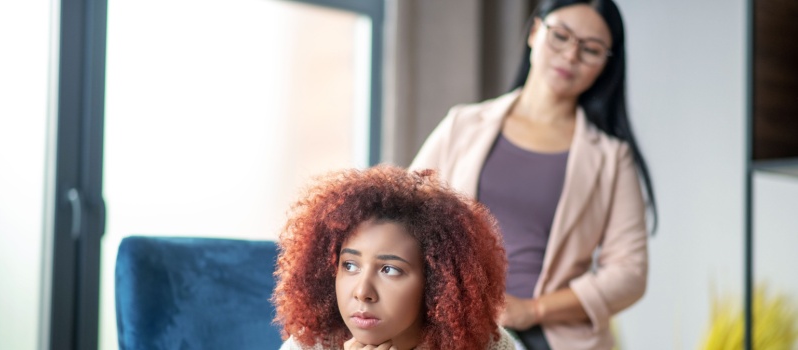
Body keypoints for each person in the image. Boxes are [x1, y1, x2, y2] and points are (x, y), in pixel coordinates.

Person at [410, 0, 656, 349]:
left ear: (606, 64)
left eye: (591, 50)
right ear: (535, 31)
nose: (571, 56)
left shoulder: (612, 158)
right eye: (561, 36)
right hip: (453, 326)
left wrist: (533, 310)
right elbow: (403, 214)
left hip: (552, 338)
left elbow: (630, 273)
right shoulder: (463, 124)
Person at [272, 165, 515, 350]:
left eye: (389, 269)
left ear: (436, 284)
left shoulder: (488, 346)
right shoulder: (311, 344)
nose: (362, 291)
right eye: (350, 265)